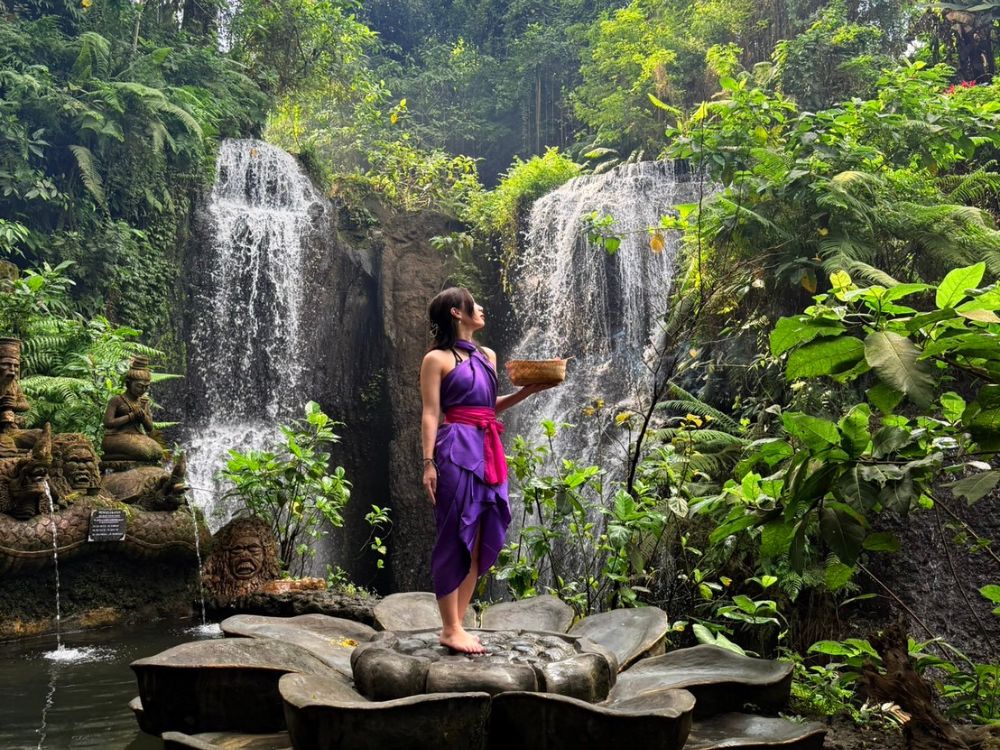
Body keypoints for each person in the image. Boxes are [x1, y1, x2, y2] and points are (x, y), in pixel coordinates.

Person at [420, 287, 553, 654]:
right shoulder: (436, 359)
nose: (480, 308)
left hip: (487, 447)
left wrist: (525, 392)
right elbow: (431, 412)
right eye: (473, 304)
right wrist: (428, 463)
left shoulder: (487, 355)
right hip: (455, 448)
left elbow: (487, 405)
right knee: (454, 533)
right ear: (455, 312)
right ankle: (450, 628)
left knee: (480, 536)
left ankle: (457, 625)